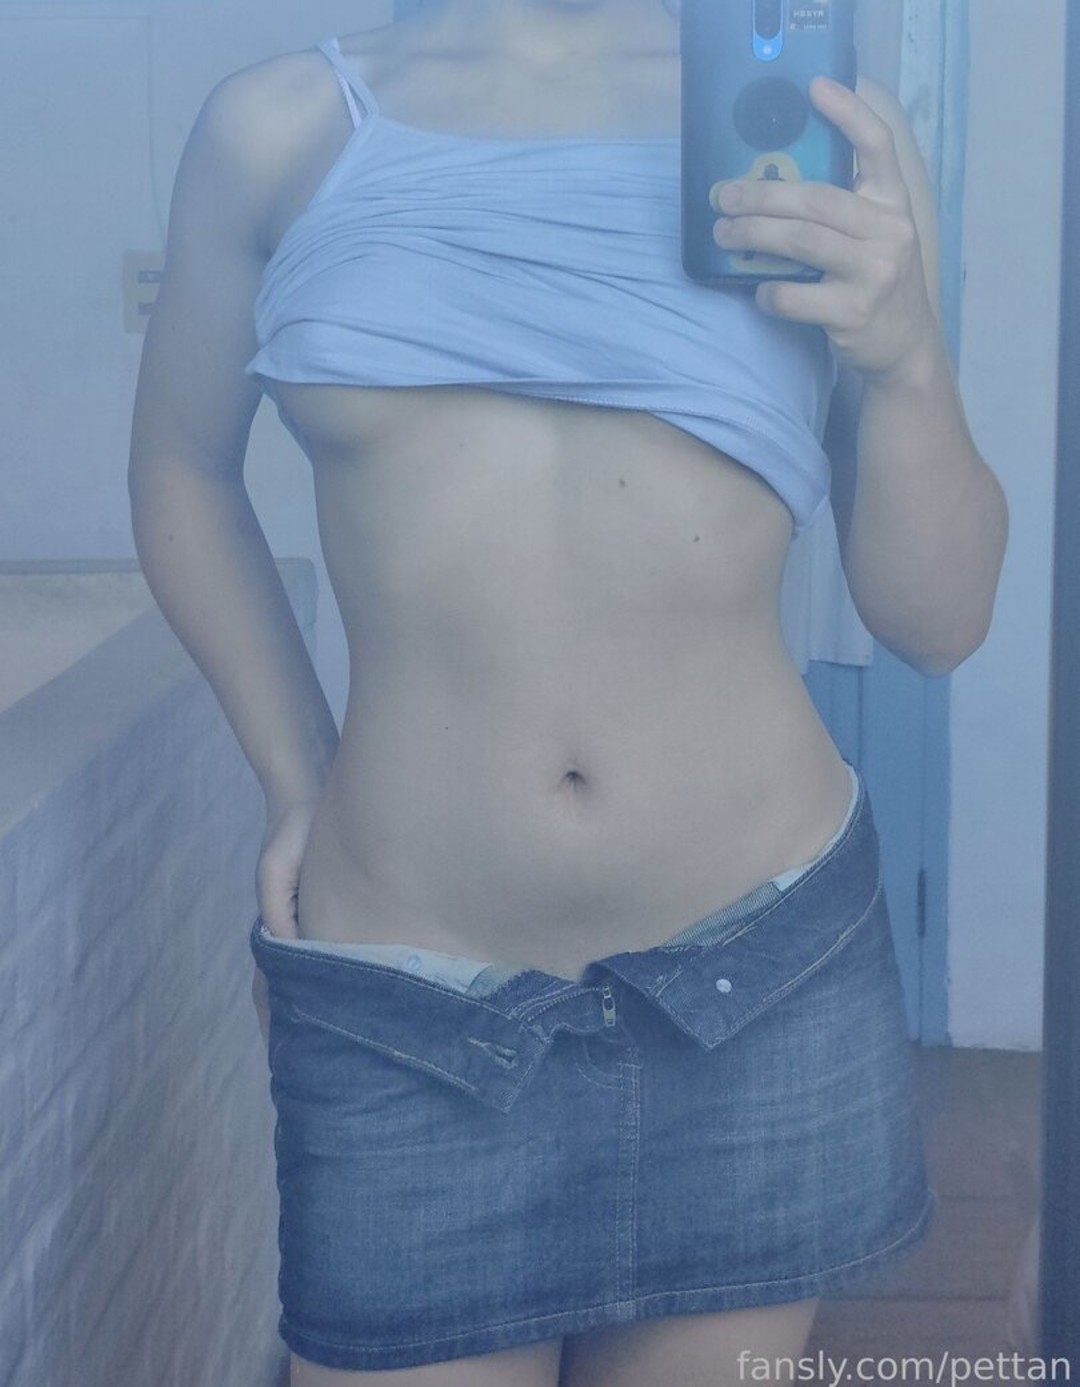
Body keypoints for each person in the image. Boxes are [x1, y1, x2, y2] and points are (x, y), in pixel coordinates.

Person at [128, 0, 1009, 1382]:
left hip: (760, 973)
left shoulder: (826, 127)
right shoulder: (277, 130)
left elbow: (939, 621)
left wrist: (904, 362)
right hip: (403, 989)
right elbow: (181, 471)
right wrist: (295, 773)